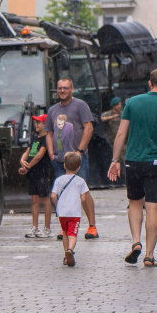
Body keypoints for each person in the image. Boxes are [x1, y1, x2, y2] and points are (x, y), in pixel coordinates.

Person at [108, 68, 157, 267]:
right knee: (153, 208)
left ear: (149, 83)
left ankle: (136, 241)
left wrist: (115, 160)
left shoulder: (132, 103)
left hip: (133, 161)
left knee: (135, 203)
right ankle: (149, 255)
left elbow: (120, 134)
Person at [45, 78, 98, 239]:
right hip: (59, 160)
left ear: (72, 89)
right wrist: (51, 153)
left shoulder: (80, 105)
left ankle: (91, 227)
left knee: (84, 193)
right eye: (60, 88)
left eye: (65, 88)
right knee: (62, 196)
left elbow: (89, 127)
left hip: (77, 160)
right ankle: (65, 228)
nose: (62, 91)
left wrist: (80, 150)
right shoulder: (52, 110)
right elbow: (49, 133)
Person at [50, 152, 90, 267]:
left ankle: (66, 255)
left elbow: (53, 195)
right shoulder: (81, 181)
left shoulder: (59, 180)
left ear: (64, 165)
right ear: (78, 167)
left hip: (62, 213)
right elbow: (83, 198)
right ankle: (70, 251)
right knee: (73, 234)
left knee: (65, 233)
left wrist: (58, 204)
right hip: (74, 213)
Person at [19, 114, 53, 238]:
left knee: (45, 198)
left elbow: (39, 156)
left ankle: (47, 228)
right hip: (32, 173)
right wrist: (22, 161)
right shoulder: (34, 138)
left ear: (45, 124)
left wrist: (26, 167)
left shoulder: (46, 138)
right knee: (34, 199)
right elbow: (27, 152)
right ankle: (35, 227)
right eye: (36, 122)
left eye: (39, 122)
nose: (36, 124)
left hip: (41, 173)